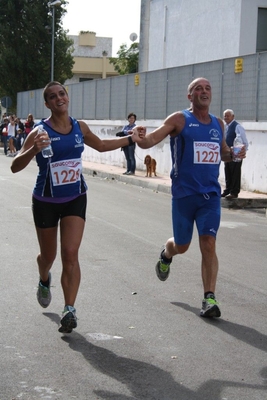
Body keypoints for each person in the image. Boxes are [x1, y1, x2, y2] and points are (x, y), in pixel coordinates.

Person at [11, 81, 141, 334]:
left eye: (62, 93)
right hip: (46, 201)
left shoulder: (79, 127)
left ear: (67, 97)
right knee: (48, 257)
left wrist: (130, 139)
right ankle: (44, 278)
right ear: (47, 104)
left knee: (70, 253)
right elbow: (15, 166)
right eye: (52, 96)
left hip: (75, 197)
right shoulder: (38, 132)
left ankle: (69, 309)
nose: (59, 98)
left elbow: (101, 146)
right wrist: (32, 151)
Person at [133, 77, 246, 318]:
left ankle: (209, 298)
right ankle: (166, 253)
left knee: (209, 243)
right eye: (198, 89)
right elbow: (151, 140)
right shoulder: (179, 120)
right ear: (190, 96)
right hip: (184, 195)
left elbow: (223, 153)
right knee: (182, 245)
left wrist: (235, 154)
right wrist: (140, 138)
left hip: (210, 195)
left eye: (207, 88)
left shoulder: (218, 123)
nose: (204, 91)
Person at [221, 109, 249, 199]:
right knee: (228, 171)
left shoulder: (237, 127)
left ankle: (234, 192)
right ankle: (228, 190)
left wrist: (242, 152)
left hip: (236, 154)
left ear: (233, 116)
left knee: (235, 172)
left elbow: (244, 141)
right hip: (227, 153)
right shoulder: (225, 126)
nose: (226, 117)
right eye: (225, 116)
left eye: (228, 116)